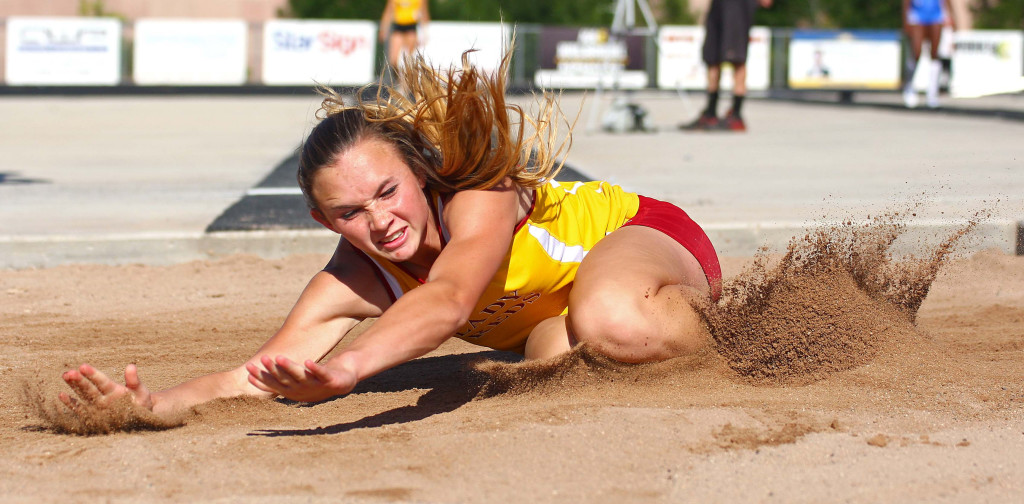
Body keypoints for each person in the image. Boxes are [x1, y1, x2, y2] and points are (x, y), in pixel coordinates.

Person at [58, 47, 723, 418]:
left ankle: (739, 337)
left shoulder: (477, 196)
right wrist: (150, 404)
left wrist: (349, 368)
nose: (380, 221)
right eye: (350, 214)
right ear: (324, 222)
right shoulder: (353, 273)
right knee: (552, 364)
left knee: (612, 320)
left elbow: (451, 298)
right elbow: (260, 375)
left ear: (422, 174)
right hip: (554, 311)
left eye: (387, 191)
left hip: (642, 238)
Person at [681, 0, 772, 132]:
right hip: (718, 4)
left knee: (736, 58)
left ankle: (736, 115)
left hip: (738, 5)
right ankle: (710, 113)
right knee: (712, 58)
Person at [902, 0, 956, 109]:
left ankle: (932, 92)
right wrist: (906, 19)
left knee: (935, 54)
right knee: (916, 53)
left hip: (936, 15)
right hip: (917, 16)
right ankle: (909, 87)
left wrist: (950, 16)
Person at [379, 0, 430, 76]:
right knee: (393, 61)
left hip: (411, 29)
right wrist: (383, 29)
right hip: (398, 27)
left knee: (409, 61)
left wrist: (425, 33)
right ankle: (399, 80)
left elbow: (424, 13)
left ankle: (406, 84)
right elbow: (388, 12)